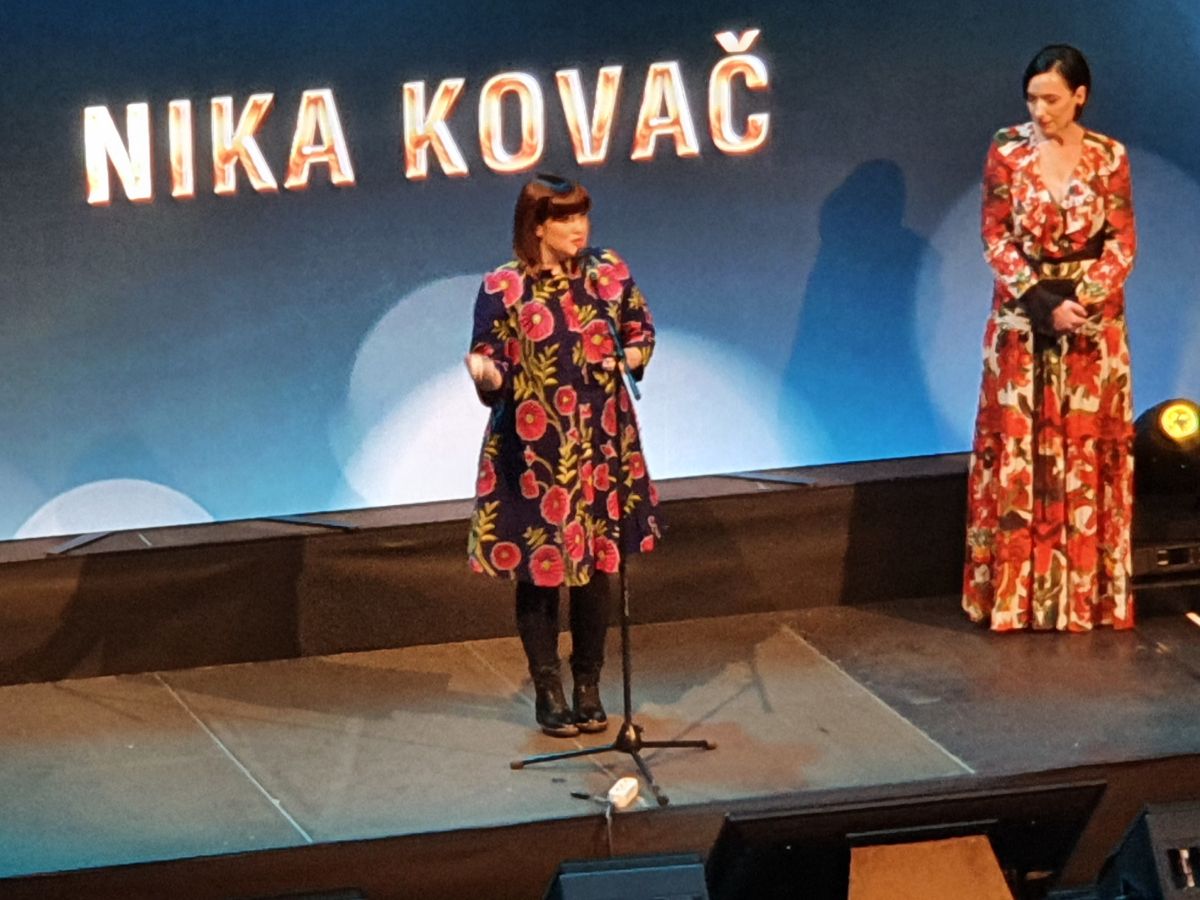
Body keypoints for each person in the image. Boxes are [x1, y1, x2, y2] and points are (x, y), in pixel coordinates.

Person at [464, 174, 662, 736]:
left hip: (601, 443)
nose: (579, 229)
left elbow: (640, 331)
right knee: (542, 569)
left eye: (583, 216)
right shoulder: (504, 286)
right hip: (535, 450)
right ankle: (548, 690)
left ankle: (588, 685)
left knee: (596, 568)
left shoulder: (607, 273)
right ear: (537, 226)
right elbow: (492, 363)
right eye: (566, 219)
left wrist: (629, 355)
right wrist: (485, 374)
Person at [963, 45, 1136, 632]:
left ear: (1079, 97)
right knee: (1019, 452)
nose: (1040, 111)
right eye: (1032, 99)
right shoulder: (1006, 149)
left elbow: (1122, 243)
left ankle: (1085, 598)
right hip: (1022, 322)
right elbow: (994, 236)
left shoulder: (1110, 156)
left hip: (1090, 328)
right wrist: (1041, 302)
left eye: (1052, 99)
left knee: (1086, 450)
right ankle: (1015, 598)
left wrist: (1079, 302)